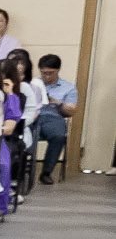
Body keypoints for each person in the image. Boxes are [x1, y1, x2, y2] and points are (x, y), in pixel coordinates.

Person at [33, 53, 75, 182]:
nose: (47, 76)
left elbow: (71, 110)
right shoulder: (33, 84)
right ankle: (18, 170)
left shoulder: (68, 87)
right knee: (20, 133)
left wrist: (58, 103)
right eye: (43, 73)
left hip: (53, 115)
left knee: (59, 136)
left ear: (58, 70)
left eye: (50, 73)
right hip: (33, 114)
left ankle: (46, 172)